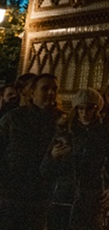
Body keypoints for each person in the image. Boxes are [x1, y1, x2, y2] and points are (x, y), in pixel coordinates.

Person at [41, 87, 109, 230]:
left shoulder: (106, 133)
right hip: (63, 198)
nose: (84, 113)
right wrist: (53, 156)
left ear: (96, 109)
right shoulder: (65, 132)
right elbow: (45, 169)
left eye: (89, 108)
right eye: (80, 109)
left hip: (91, 197)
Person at [0, 73, 62, 230]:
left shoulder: (61, 123)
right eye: (45, 88)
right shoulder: (14, 119)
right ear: (32, 92)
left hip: (43, 196)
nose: (50, 93)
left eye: (54, 89)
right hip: (13, 194)